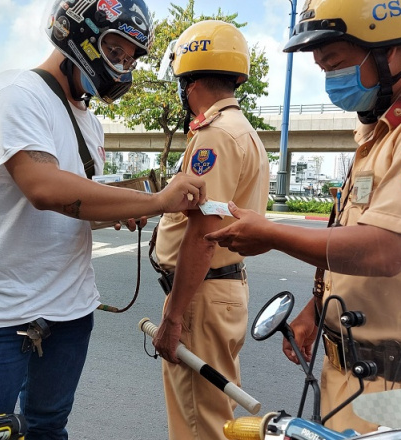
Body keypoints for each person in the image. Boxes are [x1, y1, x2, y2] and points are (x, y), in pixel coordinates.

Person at [205, 0, 401, 433]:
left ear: (392, 51)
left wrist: (271, 233)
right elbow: (354, 235)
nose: (330, 79)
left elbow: (385, 249)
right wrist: (317, 306)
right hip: (349, 375)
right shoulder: (383, 130)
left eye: (336, 63)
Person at [0, 1, 206, 438]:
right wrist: (157, 201)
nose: (121, 66)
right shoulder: (17, 93)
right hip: (1, 312)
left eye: (130, 57)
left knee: (48, 428)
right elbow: (45, 188)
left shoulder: (90, 123)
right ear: (76, 33)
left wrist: (126, 206)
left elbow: (78, 206)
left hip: (70, 310)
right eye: (115, 50)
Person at [150, 21, 269, 440]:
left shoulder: (214, 135)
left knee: (199, 424)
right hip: (220, 290)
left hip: (203, 294)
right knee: (216, 415)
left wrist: (174, 315)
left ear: (190, 81)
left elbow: (204, 231)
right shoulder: (243, 131)